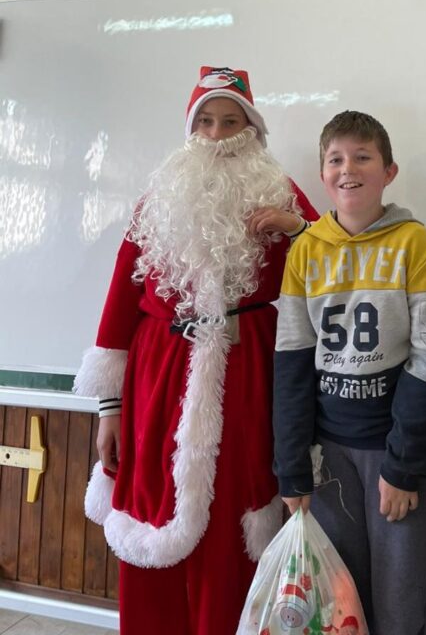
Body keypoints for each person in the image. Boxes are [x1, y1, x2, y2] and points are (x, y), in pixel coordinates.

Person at [73, 66, 317, 635]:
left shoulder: (281, 194)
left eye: (231, 122)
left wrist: (297, 228)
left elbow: (332, 263)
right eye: (205, 121)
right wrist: (109, 408)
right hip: (157, 382)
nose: (217, 134)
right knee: (152, 517)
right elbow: (120, 302)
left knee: (235, 518)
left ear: (252, 131)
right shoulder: (157, 199)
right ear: (191, 129)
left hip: (248, 377)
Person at [273, 110, 426, 635]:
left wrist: (403, 465)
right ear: (322, 175)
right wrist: (291, 467)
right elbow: (292, 364)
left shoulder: (416, 244)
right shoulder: (305, 251)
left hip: (396, 454)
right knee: (340, 605)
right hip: (330, 458)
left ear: (389, 171)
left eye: (363, 157)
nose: (348, 169)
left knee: (401, 604)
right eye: (336, 159)